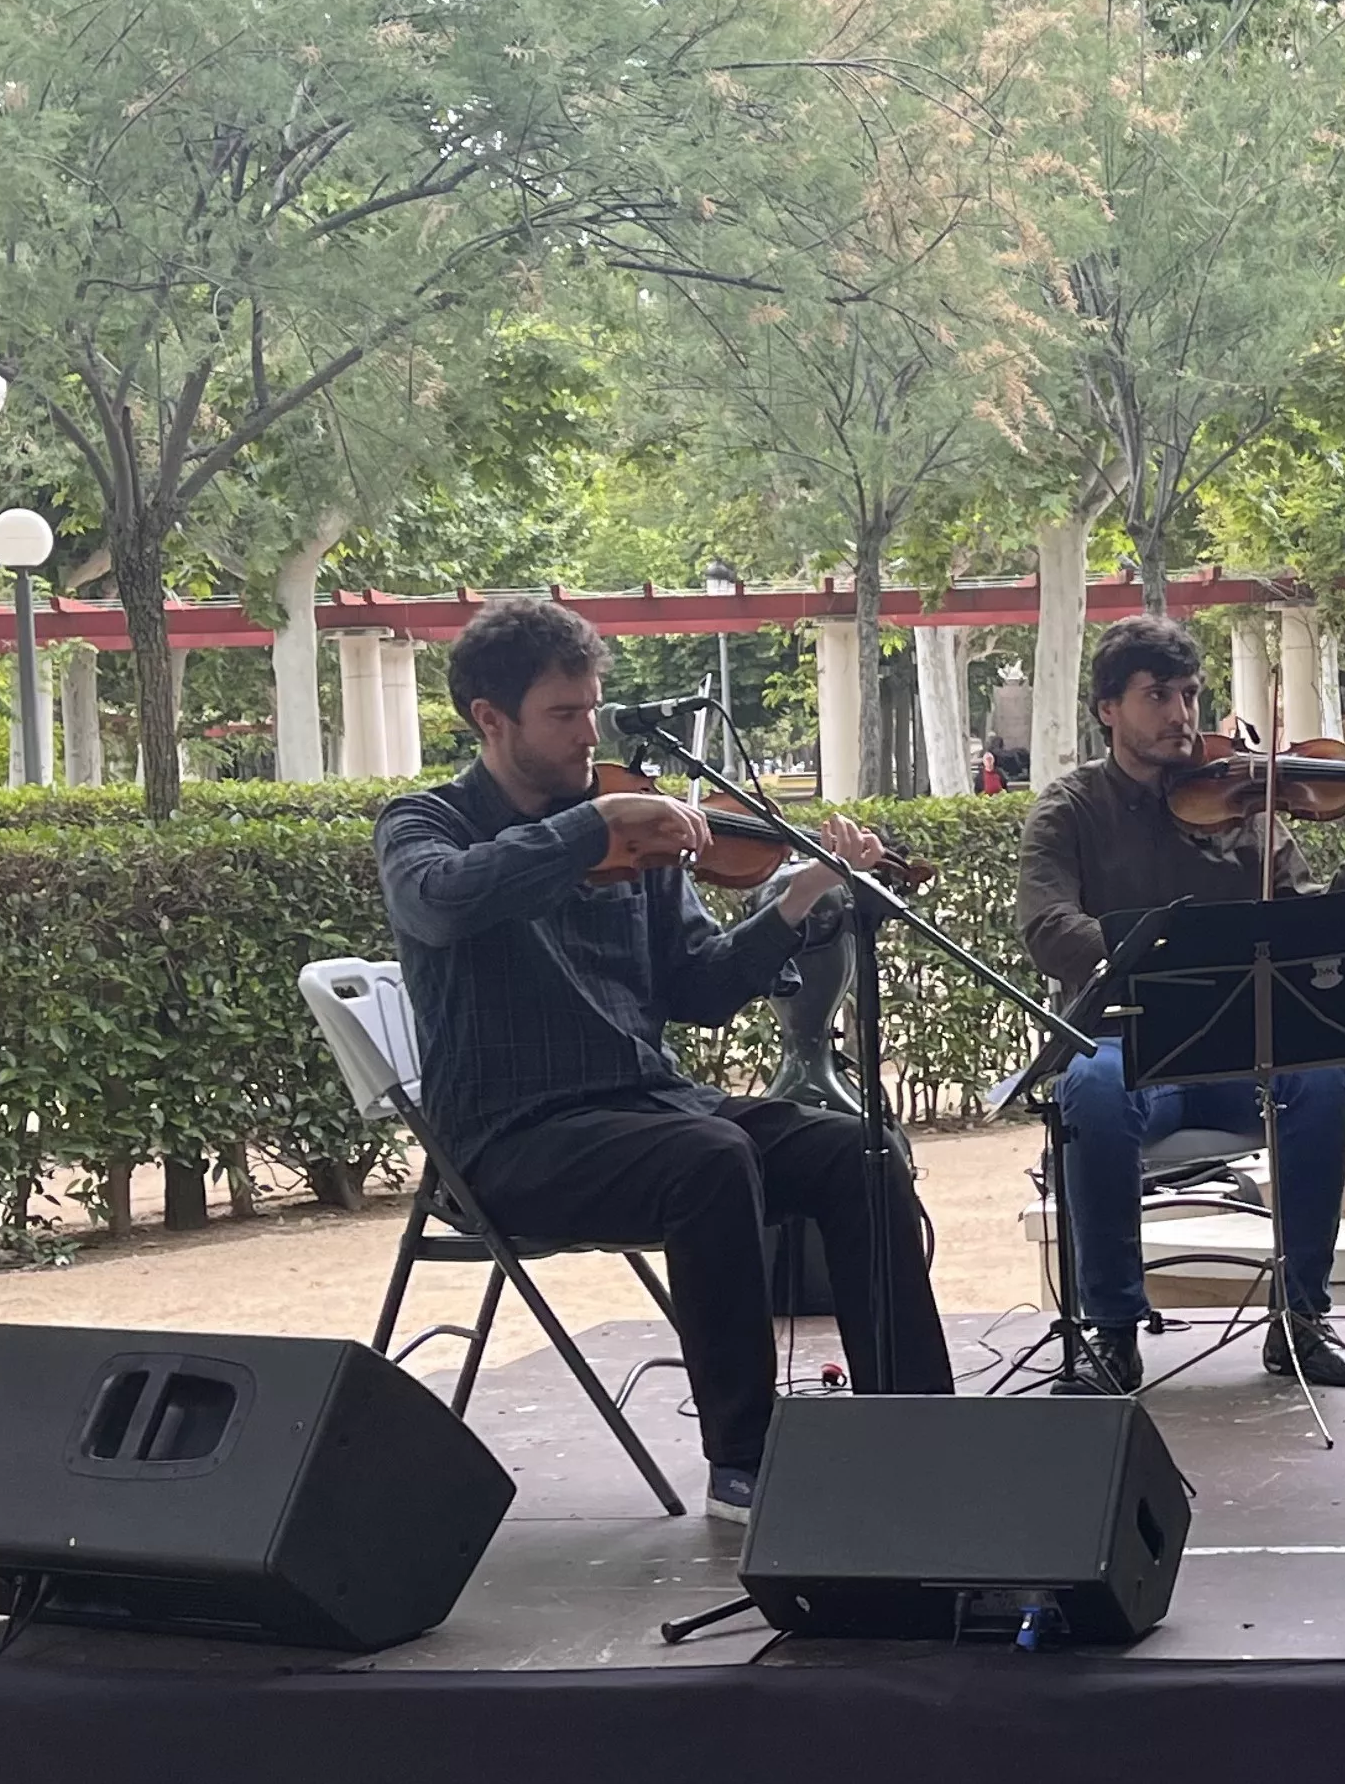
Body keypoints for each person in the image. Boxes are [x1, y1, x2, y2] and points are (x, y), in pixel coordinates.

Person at [374, 597, 948, 1524]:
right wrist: (592, 824)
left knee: (858, 1150)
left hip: (650, 1105)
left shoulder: (634, 832)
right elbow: (440, 903)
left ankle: (918, 1428)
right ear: (491, 718)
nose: (587, 731)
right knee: (709, 1160)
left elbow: (700, 990)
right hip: (511, 1138)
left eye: (593, 708)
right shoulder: (424, 823)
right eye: (565, 714)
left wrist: (796, 899)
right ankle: (746, 1463)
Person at [1016, 616, 1345, 1394]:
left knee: (1320, 1081)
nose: (1182, 714)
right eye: (1158, 697)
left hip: (1239, 1046)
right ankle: (1112, 1331)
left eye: (1188, 694)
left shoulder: (1248, 804)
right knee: (1092, 1092)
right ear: (1109, 707)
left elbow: (1318, 920)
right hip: (1127, 1039)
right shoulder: (1070, 808)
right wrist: (1141, 957)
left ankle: (1301, 1318)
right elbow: (1047, 925)